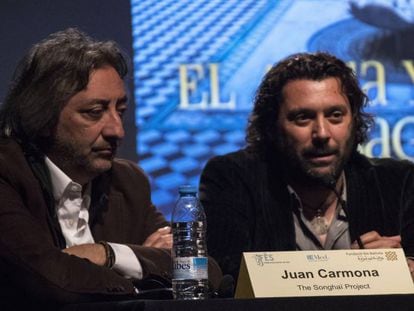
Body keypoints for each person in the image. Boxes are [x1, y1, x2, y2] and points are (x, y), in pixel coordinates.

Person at [0, 28, 221, 308]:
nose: (117, 130)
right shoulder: (7, 172)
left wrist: (108, 255)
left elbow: (204, 271)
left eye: (121, 111)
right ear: (42, 116)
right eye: (95, 112)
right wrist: (143, 276)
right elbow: (50, 282)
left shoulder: (126, 181)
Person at [199, 52, 414, 282]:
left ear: (354, 121)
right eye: (303, 118)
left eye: (335, 115)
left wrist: (405, 268)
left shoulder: (398, 182)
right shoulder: (232, 178)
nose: (321, 133)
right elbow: (225, 275)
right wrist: (358, 269)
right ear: (272, 126)